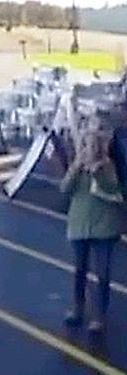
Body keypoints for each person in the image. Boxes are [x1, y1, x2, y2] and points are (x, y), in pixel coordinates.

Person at [60, 124, 124, 337]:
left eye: (94, 145)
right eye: (86, 145)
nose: (90, 149)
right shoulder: (78, 166)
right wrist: (76, 168)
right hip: (80, 226)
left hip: (105, 228)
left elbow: (113, 190)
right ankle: (78, 308)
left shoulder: (108, 167)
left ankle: (99, 317)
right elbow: (65, 189)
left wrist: (99, 175)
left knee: (103, 274)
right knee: (80, 270)